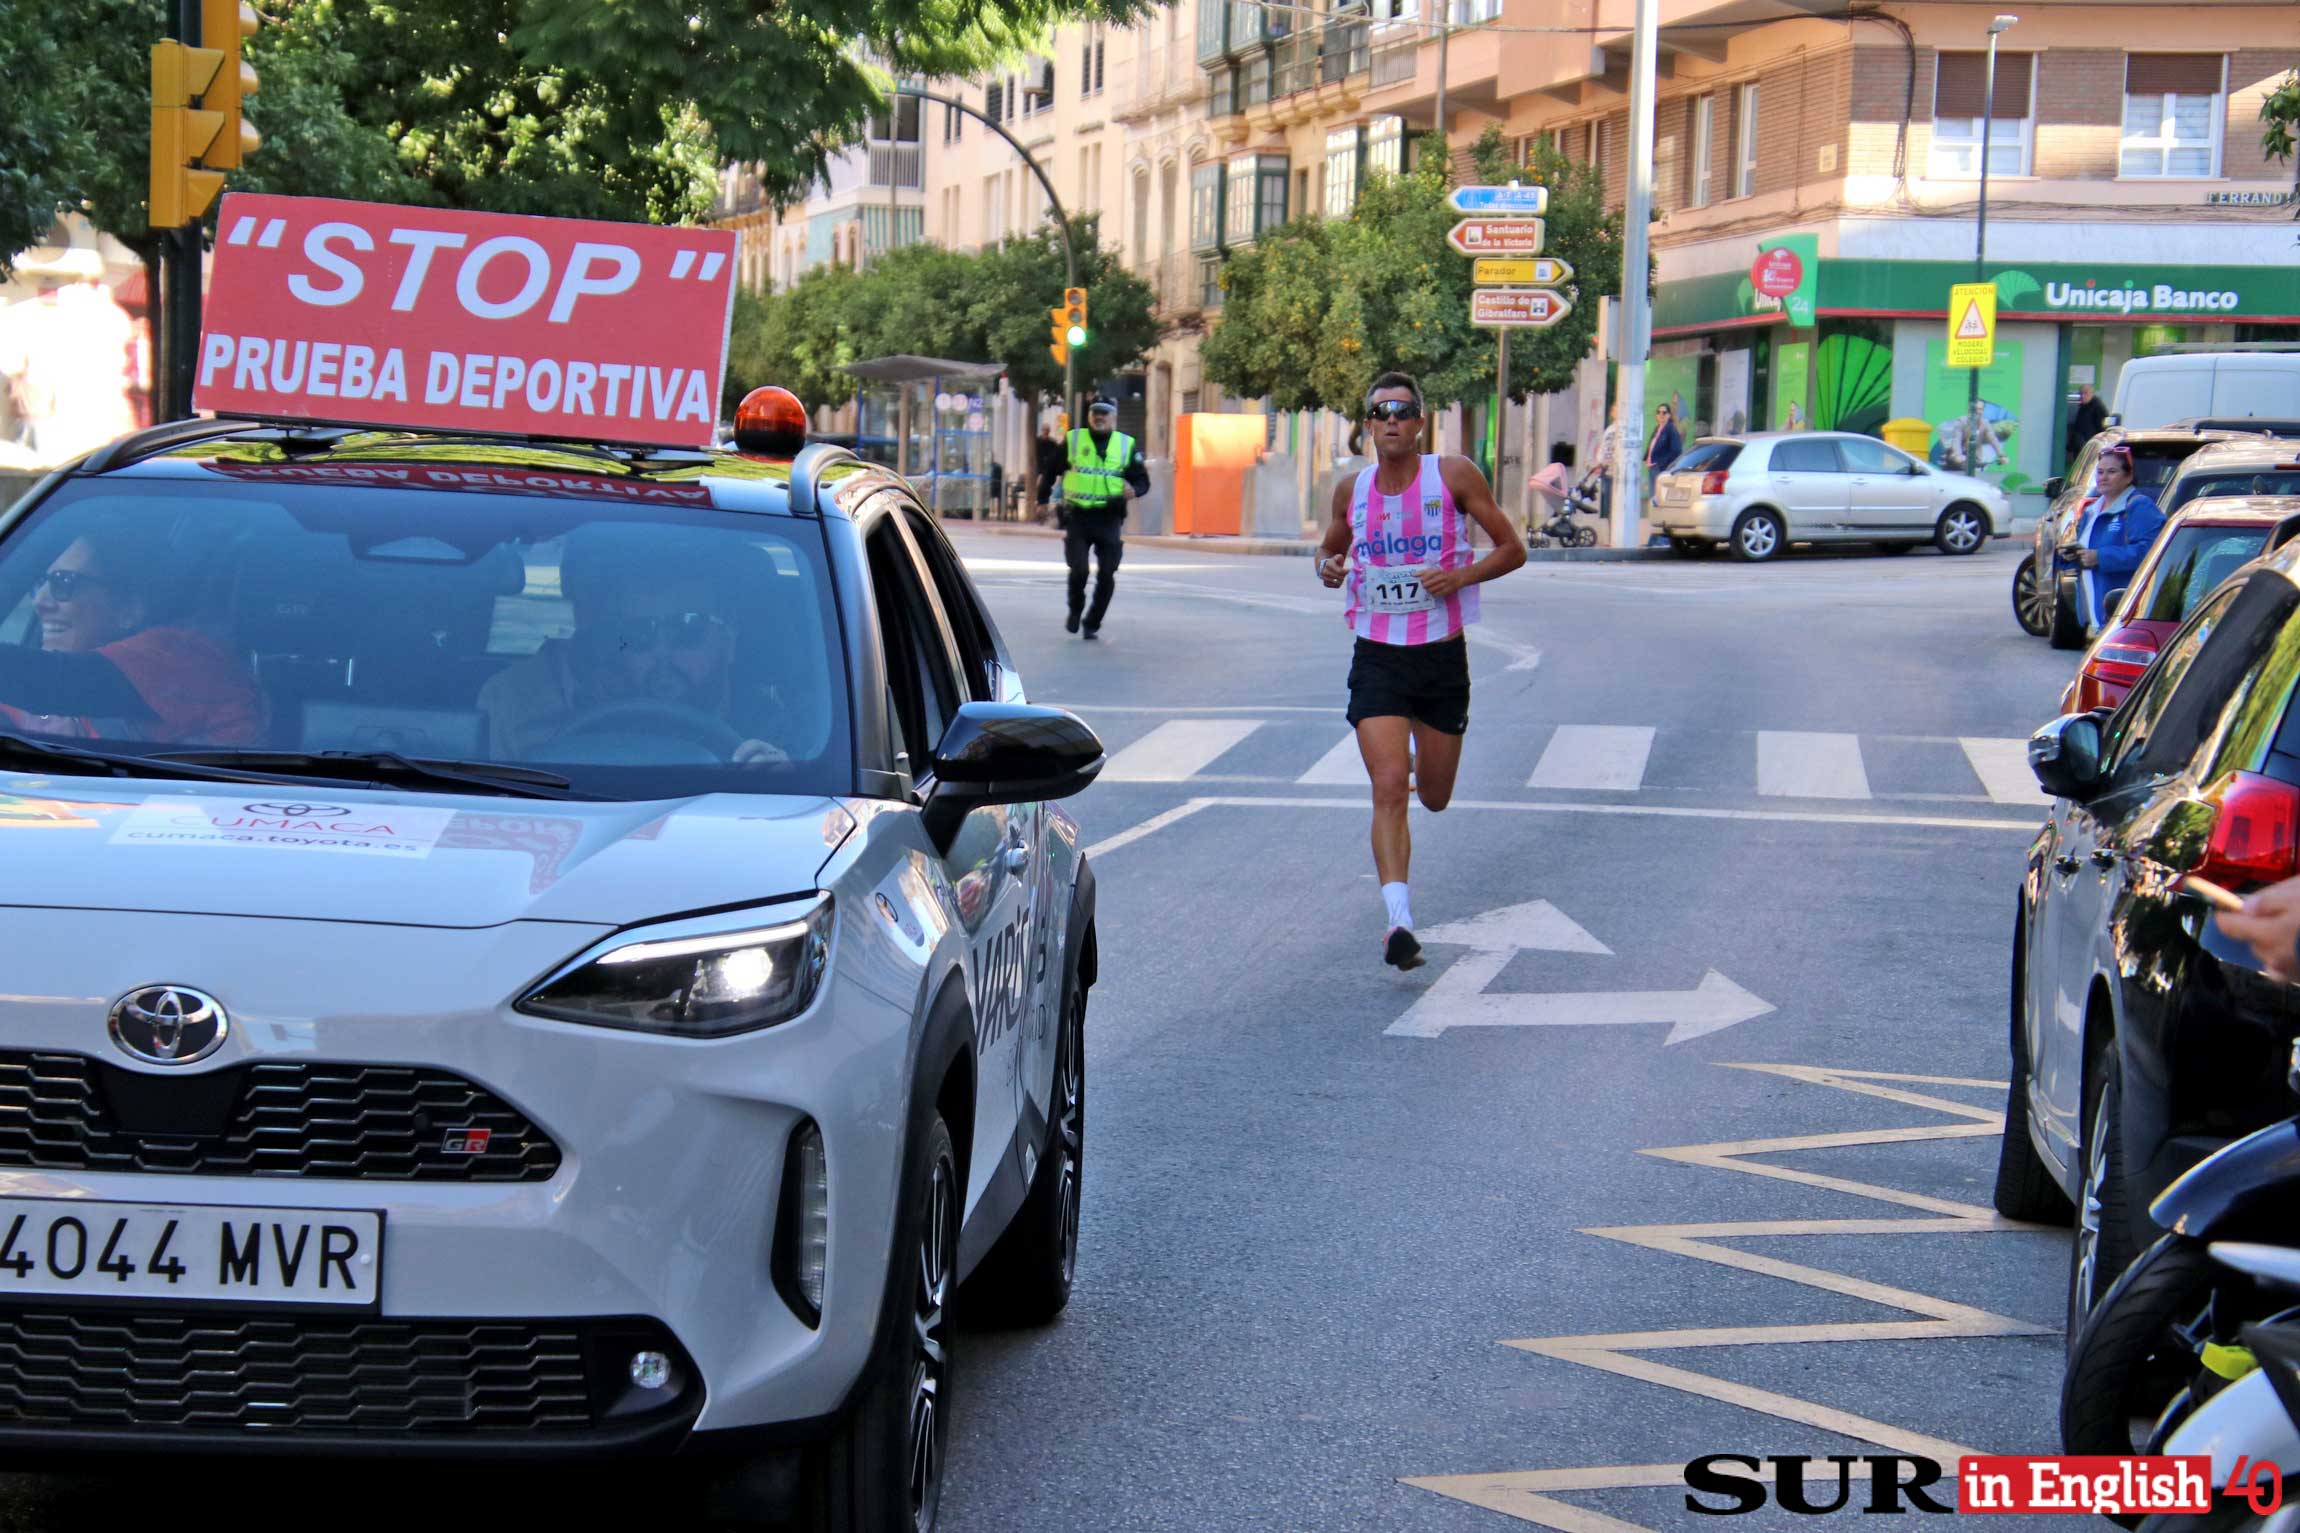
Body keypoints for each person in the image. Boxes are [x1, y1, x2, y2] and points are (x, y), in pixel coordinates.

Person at [1316, 372, 1525, 970]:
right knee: (1387, 789)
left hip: (1440, 656)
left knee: (1432, 797)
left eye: (1403, 412)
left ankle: (1416, 762)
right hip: (1377, 653)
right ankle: (1398, 922)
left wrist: (1458, 577)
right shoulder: (1350, 492)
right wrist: (1329, 568)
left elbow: (1513, 549)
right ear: (1367, 424)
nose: (1391, 420)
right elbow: (1329, 554)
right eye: (1380, 411)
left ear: (1420, 422)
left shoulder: (1453, 475)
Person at [480, 537, 791, 766]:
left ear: (729, 636)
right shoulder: (531, 704)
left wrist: (782, 785)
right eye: (639, 634)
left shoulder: (797, 725)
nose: (661, 651)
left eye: (687, 628)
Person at [0, 521, 263, 745]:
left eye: (64, 582)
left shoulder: (181, 657)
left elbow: (52, 682)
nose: (40, 602)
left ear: (130, 608)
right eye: (40, 583)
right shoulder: (94, 681)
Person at [1047, 398, 1149, 640]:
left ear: (1113, 417)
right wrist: (1043, 500)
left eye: (1104, 413)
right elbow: (1051, 468)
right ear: (1089, 416)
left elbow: (1143, 480)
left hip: (1109, 518)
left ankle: (1093, 621)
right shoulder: (1073, 440)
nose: (1099, 417)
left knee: (1106, 574)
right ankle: (1075, 609)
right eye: (1095, 413)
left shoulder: (1125, 445)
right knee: (1079, 570)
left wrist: (1134, 490)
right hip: (1078, 517)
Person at [2069, 444, 2165, 631]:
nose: (2103, 477)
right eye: (2100, 472)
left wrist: (2100, 557)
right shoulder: (2091, 511)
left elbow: (2150, 553)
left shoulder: (2139, 506)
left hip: (2124, 617)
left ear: (2128, 476)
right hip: (2098, 618)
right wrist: (2070, 558)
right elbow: (2085, 556)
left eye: (2112, 471)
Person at [1644, 402, 1682, 510]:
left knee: (1658, 495)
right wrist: (1646, 457)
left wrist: (1661, 462)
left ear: (1669, 415)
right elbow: (1652, 445)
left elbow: (1676, 450)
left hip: (1660, 467)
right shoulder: (1658, 428)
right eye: (1658, 412)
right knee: (1653, 495)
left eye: (1664, 412)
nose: (1661, 415)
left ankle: (1660, 517)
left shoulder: (1670, 429)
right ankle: (1655, 516)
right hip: (1652, 466)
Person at [2067, 383, 2109, 460]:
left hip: (2090, 447)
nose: (2082, 396)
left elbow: (2102, 427)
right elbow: (2078, 426)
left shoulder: (2098, 407)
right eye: (2081, 393)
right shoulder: (2083, 407)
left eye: (2085, 393)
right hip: (2081, 446)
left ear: (2092, 393)